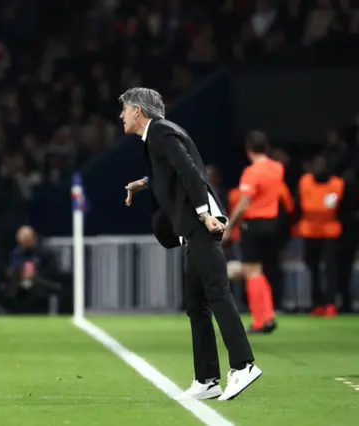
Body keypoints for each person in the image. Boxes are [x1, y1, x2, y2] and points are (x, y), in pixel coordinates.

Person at [120, 87, 260, 401]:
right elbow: (168, 173)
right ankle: (207, 379)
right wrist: (142, 184)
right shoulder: (158, 134)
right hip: (191, 226)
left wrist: (204, 214)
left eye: (125, 109)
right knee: (197, 305)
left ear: (139, 111)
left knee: (218, 293)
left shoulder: (161, 133)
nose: (122, 116)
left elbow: (190, 172)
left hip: (200, 223)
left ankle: (243, 365)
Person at [223, 131, 282, 332]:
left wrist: (230, 227)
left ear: (248, 150)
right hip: (273, 224)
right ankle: (268, 316)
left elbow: (243, 203)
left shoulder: (251, 172)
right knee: (259, 270)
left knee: (252, 271)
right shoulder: (278, 168)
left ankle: (259, 320)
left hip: (254, 224)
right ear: (267, 148)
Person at [295, 155, 344, 316]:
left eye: (322, 166)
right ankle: (317, 303)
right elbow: (305, 206)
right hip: (309, 230)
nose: (319, 169)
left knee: (330, 269)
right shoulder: (305, 181)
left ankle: (330, 303)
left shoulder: (337, 183)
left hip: (329, 232)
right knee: (312, 268)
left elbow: (335, 208)